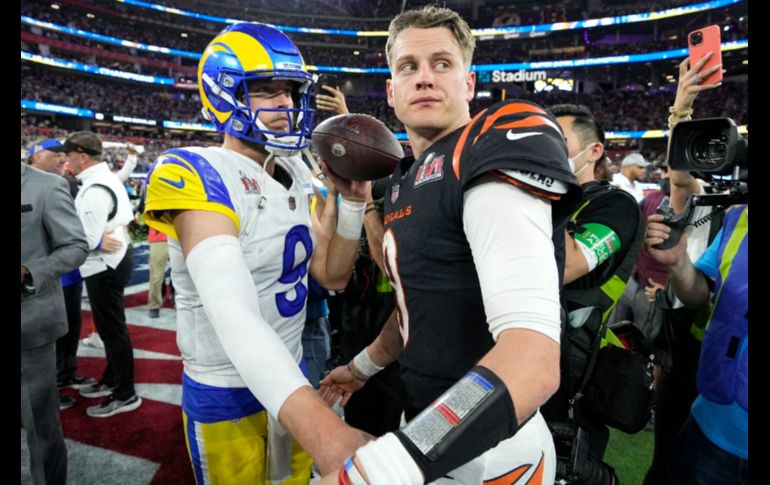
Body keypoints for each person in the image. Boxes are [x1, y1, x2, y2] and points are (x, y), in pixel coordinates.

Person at [318, 6, 582, 484]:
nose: (424, 79)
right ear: (391, 91)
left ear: (469, 83)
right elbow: (415, 304)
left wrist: (397, 458)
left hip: (493, 444)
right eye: (408, 67)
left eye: (442, 64)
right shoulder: (400, 180)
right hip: (425, 425)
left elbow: (531, 357)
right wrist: (360, 368)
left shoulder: (490, 140)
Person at [142, 22, 371, 483]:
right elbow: (233, 313)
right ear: (224, 94)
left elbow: (332, 276)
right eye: (266, 90)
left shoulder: (295, 168)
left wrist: (353, 205)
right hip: (228, 387)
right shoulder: (191, 170)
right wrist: (324, 429)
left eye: (288, 91)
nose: (285, 103)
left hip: (292, 368)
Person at [541, 104, 643, 484]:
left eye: (557, 140)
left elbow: (566, 265)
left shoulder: (615, 205)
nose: (544, 149)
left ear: (594, 151)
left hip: (569, 382)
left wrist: (546, 192)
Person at [51, 131, 141, 418]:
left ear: (81, 154)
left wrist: (93, 238)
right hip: (113, 259)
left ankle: (125, 393)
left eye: (69, 155)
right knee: (111, 326)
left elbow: (85, 241)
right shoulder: (105, 180)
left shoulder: (94, 189)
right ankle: (113, 379)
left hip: (104, 265)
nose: (67, 161)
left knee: (112, 329)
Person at [22, 161, 89, 485]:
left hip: (28, 328)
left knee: (40, 427)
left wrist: (29, 271)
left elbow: (76, 247)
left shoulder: (47, 186)